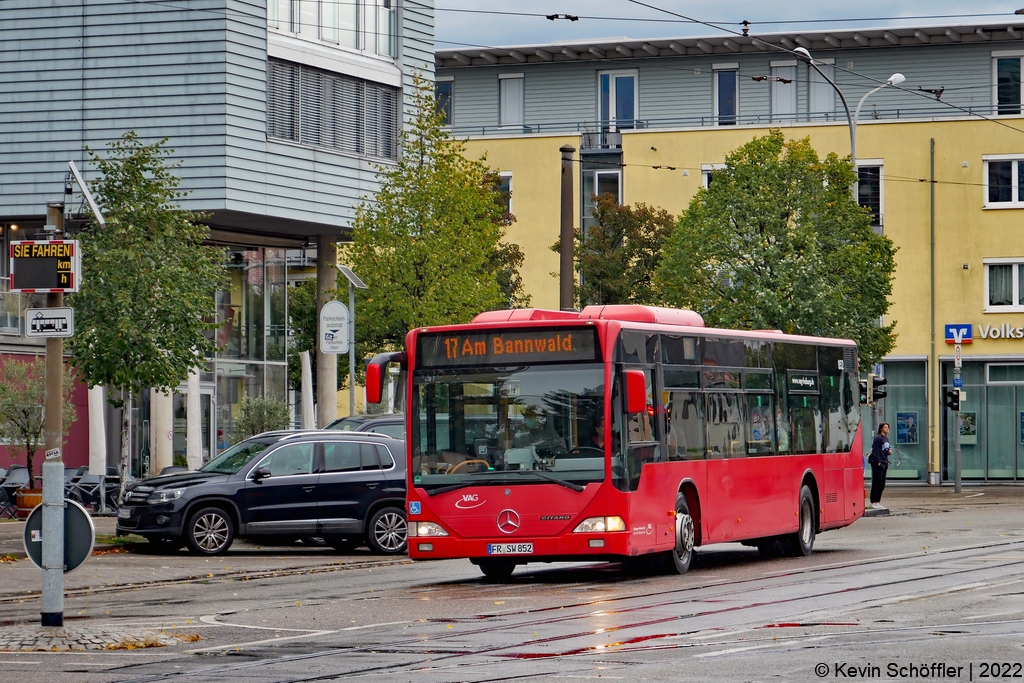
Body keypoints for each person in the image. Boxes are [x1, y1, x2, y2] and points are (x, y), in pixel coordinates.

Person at [868, 423, 893, 510]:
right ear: (881, 428)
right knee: (876, 482)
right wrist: (877, 460)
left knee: (882, 483)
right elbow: (875, 450)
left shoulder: (886, 438)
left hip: (884, 461)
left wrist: (889, 451)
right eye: (885, 427)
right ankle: (873, 501)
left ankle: (878, 501)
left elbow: (885, 450)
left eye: (888, 427)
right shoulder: (877, 438)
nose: (887, 429)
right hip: (878, 462)